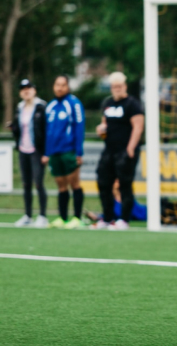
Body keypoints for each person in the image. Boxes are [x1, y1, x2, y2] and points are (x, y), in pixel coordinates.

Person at [92, 72, 144, 230]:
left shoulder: (132, 104)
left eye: (120, 86)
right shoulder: (107, 103)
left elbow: (138, 126)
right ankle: (107, 218)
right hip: (109, 149)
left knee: (125, 185)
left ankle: (124, 219)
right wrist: (101, 130)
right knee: (103, 182)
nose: (117, 89)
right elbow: (104, 125)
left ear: (125, 86)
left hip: (125, 150)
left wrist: (131, 148)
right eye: (114, 86)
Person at [43, 75, 85, 229]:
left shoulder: (73, 103)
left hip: (69, 151)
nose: (59, 88)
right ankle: (62, 217)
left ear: (67, 87)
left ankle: (77, 218)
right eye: (57, 84)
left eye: (63, 85)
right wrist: (47, 153)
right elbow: (48, 131)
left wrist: (79, 152)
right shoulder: (51, 106)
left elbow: (79, 127)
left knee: (74, 183)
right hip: (54, 152)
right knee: (61, 185)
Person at [7, 79, 48, 228]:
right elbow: (20, 128)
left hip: (37, 150)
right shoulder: (20, 107)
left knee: (38, 183)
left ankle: (42, 215)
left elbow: (46, 131)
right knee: (26, 184)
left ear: (34, 90)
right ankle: (28, 215)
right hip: (23, 149)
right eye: (23, 88)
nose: (26, 91)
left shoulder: (41, 107)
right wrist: (13, 127)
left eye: (28, 88)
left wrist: (46, 152)